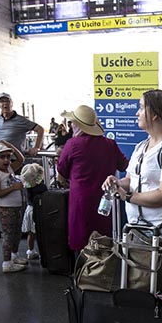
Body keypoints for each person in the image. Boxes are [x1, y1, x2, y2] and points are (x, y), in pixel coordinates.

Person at [102, 89, 162, 243]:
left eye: (141, 108)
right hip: (136, 229)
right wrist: (117, 183)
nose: (137, 113)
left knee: (161, 269)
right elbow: (131, 180)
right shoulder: (141, 146)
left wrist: (128, 197)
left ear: (154, 114)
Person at [56, 104, 128, 252]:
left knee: (81, 242)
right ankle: (103, 271)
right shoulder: (110, 144)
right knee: (105, 239)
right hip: (106, 201)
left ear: (77, 125)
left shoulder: (72, 144)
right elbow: (123, 165)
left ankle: (82, 272)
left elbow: (61, 170)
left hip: (80, 202)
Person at [0, 141, 28, 272]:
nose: (6, 160)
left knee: (16, 233)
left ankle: (14, 256)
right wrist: (13, 187)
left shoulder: (9, 169)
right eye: (2, 157)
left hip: (16, 206)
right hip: (6, 209)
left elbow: (21, 159)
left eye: (8, 156)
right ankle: (6, 263)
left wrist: (10, 146)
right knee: (8, 236)